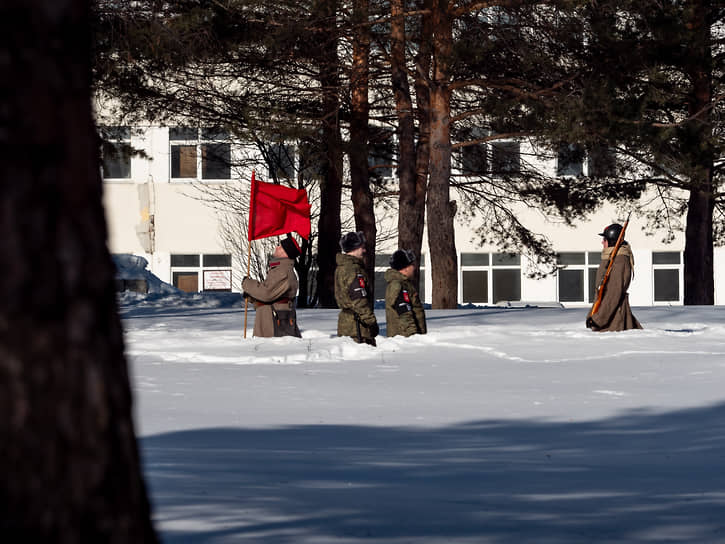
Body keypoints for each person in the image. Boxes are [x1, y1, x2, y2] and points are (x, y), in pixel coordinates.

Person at [242, 234, 302, 338]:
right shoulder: (281, 269)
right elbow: (273, 295)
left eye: (280, 246)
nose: (277, 247)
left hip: (274, 323)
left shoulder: (282, 271)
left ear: (285, 253)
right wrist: (252, 296)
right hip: (273, 320)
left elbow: (267, 293)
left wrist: (247, 283)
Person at [586, 223, 643, 332]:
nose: (602, 242)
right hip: (608, 319)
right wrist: (592, 315)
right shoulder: (611, 258)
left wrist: (598, 319)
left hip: (613, 322)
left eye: (605, 239)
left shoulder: (619, 261)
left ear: (611, 241)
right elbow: (600, 292)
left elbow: (613, 293)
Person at [334, 231, 379, 345]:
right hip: (357, 328)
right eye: (362, 247)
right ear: (355, 248)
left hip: (347, 325)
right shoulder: (353, 270)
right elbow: (359, 299)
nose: (364, 250)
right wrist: (371, 322)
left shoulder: (342, 267)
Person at [385, 249, 427, 337]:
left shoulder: (404, 284)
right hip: (405, 340)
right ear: (405, 267)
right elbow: (404, 314)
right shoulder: (398, 285)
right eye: (412, 265)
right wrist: (413, 337)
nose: (414, 268)